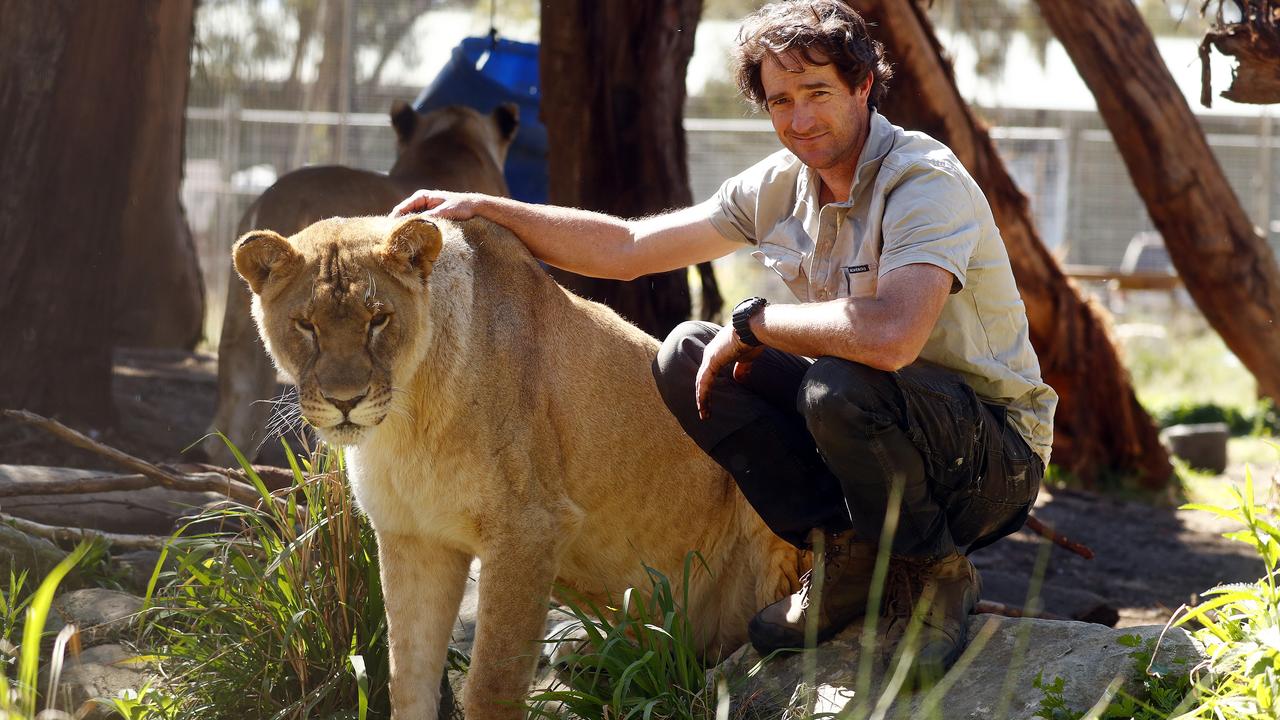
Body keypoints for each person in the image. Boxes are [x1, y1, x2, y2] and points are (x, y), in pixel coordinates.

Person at [392, 0, 1056, 685]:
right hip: (879, 432)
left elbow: (889, 337)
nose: (799, 120)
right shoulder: (779, 186)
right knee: (685, 354)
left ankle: (936, 575)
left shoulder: (921, 179)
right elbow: (628, 246)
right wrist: (488, 207)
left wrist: (755, 323)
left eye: (819, 94)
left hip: (989, 458)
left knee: (840, 386)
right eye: (781, 101)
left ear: (863, 85)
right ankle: (846, 556)